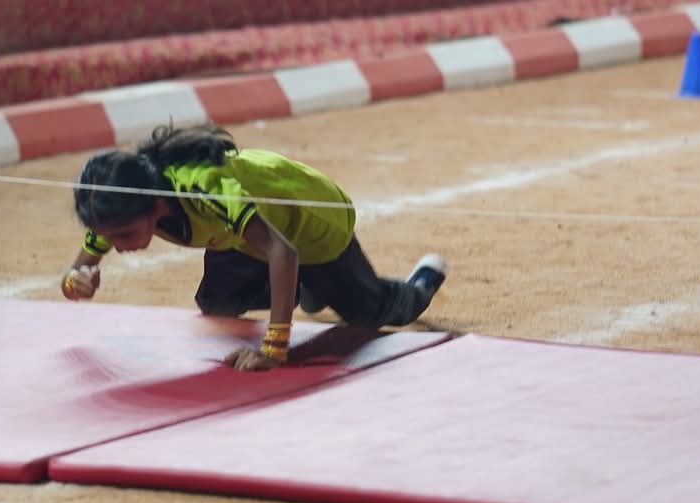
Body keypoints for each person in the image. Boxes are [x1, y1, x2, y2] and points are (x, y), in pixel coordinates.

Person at [60, 124, 448, 371]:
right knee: (217, 306)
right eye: (107, 236)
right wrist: (76, 281)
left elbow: (285, 252)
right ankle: (300, 287)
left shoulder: (206, 190)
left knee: (367, 314)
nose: (115, 245)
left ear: (158, 206)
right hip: (244, 237)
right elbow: (80, 267)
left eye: (124, 235)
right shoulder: (118, 208)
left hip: (311, 221)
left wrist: (274, 349)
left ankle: (418, 284)